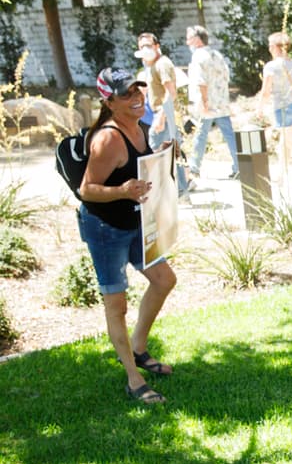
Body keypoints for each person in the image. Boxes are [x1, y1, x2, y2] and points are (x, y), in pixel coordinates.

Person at [78, 68, 177, 405]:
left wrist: (160, 155)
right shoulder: (107, 138)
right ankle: (134, 380)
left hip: (133, 221)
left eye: (139, 91)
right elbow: (87, 190)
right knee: (116, 305)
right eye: (127, 95)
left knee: (164, 279)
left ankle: (138, 348)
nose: (137, 99)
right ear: (108, 101)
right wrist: (122, 190)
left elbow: (136, 169)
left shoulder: (137, 127)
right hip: (105, 228)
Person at [134, 33, 187, 194]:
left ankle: (159, 191)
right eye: (142, 46)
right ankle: (181, 189)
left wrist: (161, 117)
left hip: (165, 113)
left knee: (153, 151)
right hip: (163, 113)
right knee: (172, 150)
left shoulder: (162, 64)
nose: (145, 49)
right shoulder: (152, 66)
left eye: (148, 45)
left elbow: (170, 93)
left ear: (157, 46)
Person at [185, 26, 238, 180]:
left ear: (196, 39)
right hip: (221, 103)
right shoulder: (217, 54)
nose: (187, 42)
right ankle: (238, 166)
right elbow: (226, 76)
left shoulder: (198, 57)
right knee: (229, 135)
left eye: (189, 38)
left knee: (200, 135)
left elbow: (200, 81)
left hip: (206, 103)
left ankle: (194, 168)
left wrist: (204, 101)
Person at [259, 31, 292, 191]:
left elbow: (266, 91)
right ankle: (279, 177)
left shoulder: (271, 66)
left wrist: (259, 108)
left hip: (282, 108)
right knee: (284, 144)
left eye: (270, 45)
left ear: (274, 47)